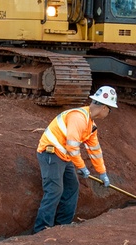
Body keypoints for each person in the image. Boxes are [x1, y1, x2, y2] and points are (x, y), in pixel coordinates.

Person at [32, 86, 116, 234]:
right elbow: (72, 147)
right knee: (54, 190)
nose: (109, 114)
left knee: (72, 187)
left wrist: (102, 173)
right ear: (104, 108)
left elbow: (95, 150)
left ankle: (62, 226)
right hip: (51, 153)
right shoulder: (78, 118)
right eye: (110, 110)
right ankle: (41, 231)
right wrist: (82, 167)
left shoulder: (91, 125)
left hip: (64, 156)